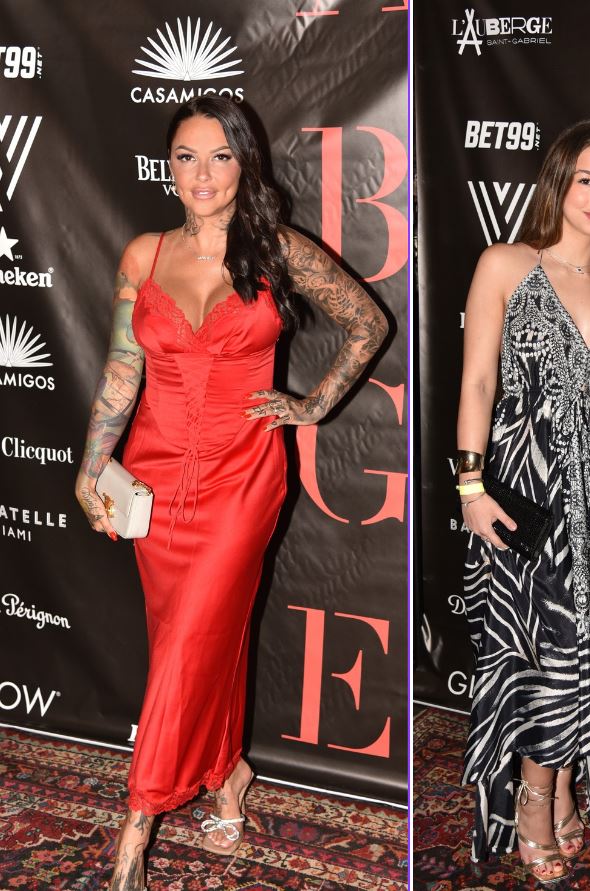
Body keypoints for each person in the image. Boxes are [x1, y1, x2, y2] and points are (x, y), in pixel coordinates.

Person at [74, 96, 388, 891]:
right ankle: (228, 775)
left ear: (245, 162)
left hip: (243, 476)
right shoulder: (143, 254)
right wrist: (91, 464)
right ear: (167, 166)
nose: (203, 173)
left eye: (220, 155)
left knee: (186, 647)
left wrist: (311, 404)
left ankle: (134, 834)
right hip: (151, 477)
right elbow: (122, 368)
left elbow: (366, 322)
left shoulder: (277, 249)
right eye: (187, 156)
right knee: (190, 639)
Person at [455, 119, 590, 885]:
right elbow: (477, 382)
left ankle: (563, 784)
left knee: (589, 651)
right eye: (587, 179)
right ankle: (532, 801)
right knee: (549, 655)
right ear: (559, 180)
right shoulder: (506, 263)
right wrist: (468, 484)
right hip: (527, 498)